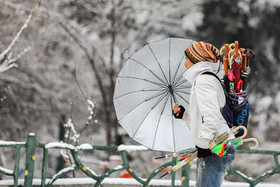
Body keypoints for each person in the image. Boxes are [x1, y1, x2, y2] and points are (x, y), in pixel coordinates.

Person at [173, 41, 235, 187]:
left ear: (196, 59)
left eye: (187, 59)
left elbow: (212, 116)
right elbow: (208, 114)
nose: (184, 63)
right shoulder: (208, 78)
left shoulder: (203, 81)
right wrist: (184, 114)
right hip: (216, 144)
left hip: (215, 146)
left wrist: (203, 143)